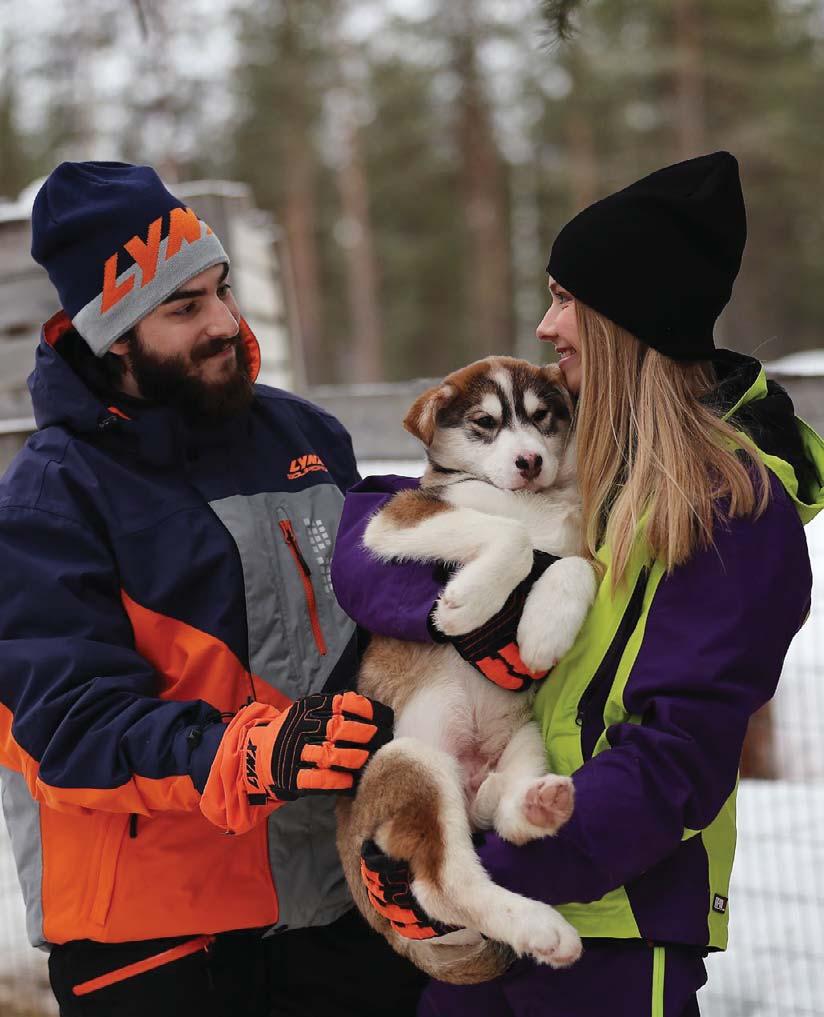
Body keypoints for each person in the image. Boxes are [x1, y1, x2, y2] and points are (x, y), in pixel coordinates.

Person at [329, 152, 824, 1016]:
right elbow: (371, 537)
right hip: (486, 893)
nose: (547, 325)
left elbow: (676, 758)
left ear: (624, 321)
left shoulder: (732, 506)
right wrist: (448, 618)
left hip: (610, 925)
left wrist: (475, 878)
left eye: (566, 299)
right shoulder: (575, 448)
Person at [0, 162, 425, 1017]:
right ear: (111, 332)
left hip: (343, 918)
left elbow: (374, 628)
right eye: (184, 307)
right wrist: (248, 753)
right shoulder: (50, 495)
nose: (226, 323)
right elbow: (59, 727)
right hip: (160, 953)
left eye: (221, 290)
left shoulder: (304, 436)